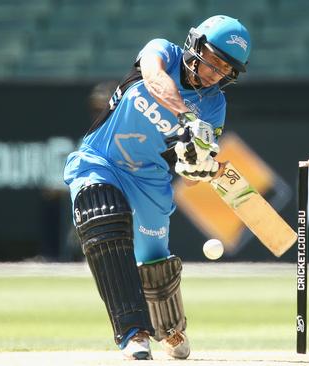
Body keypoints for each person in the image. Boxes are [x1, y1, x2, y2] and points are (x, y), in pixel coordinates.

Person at [63, 15, 251, 360]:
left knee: (154, 264)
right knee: (103, 219)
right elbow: (152, 78)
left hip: (149, 179)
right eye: (213, 59)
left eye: (226, 68)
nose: (215, 72)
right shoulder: (163, 51)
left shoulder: (214, 105)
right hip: (100, 159)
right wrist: (185, 121)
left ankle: (169, 327)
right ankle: (134, 333)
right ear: (195, 45)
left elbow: (195, 166)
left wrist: (198, 164)